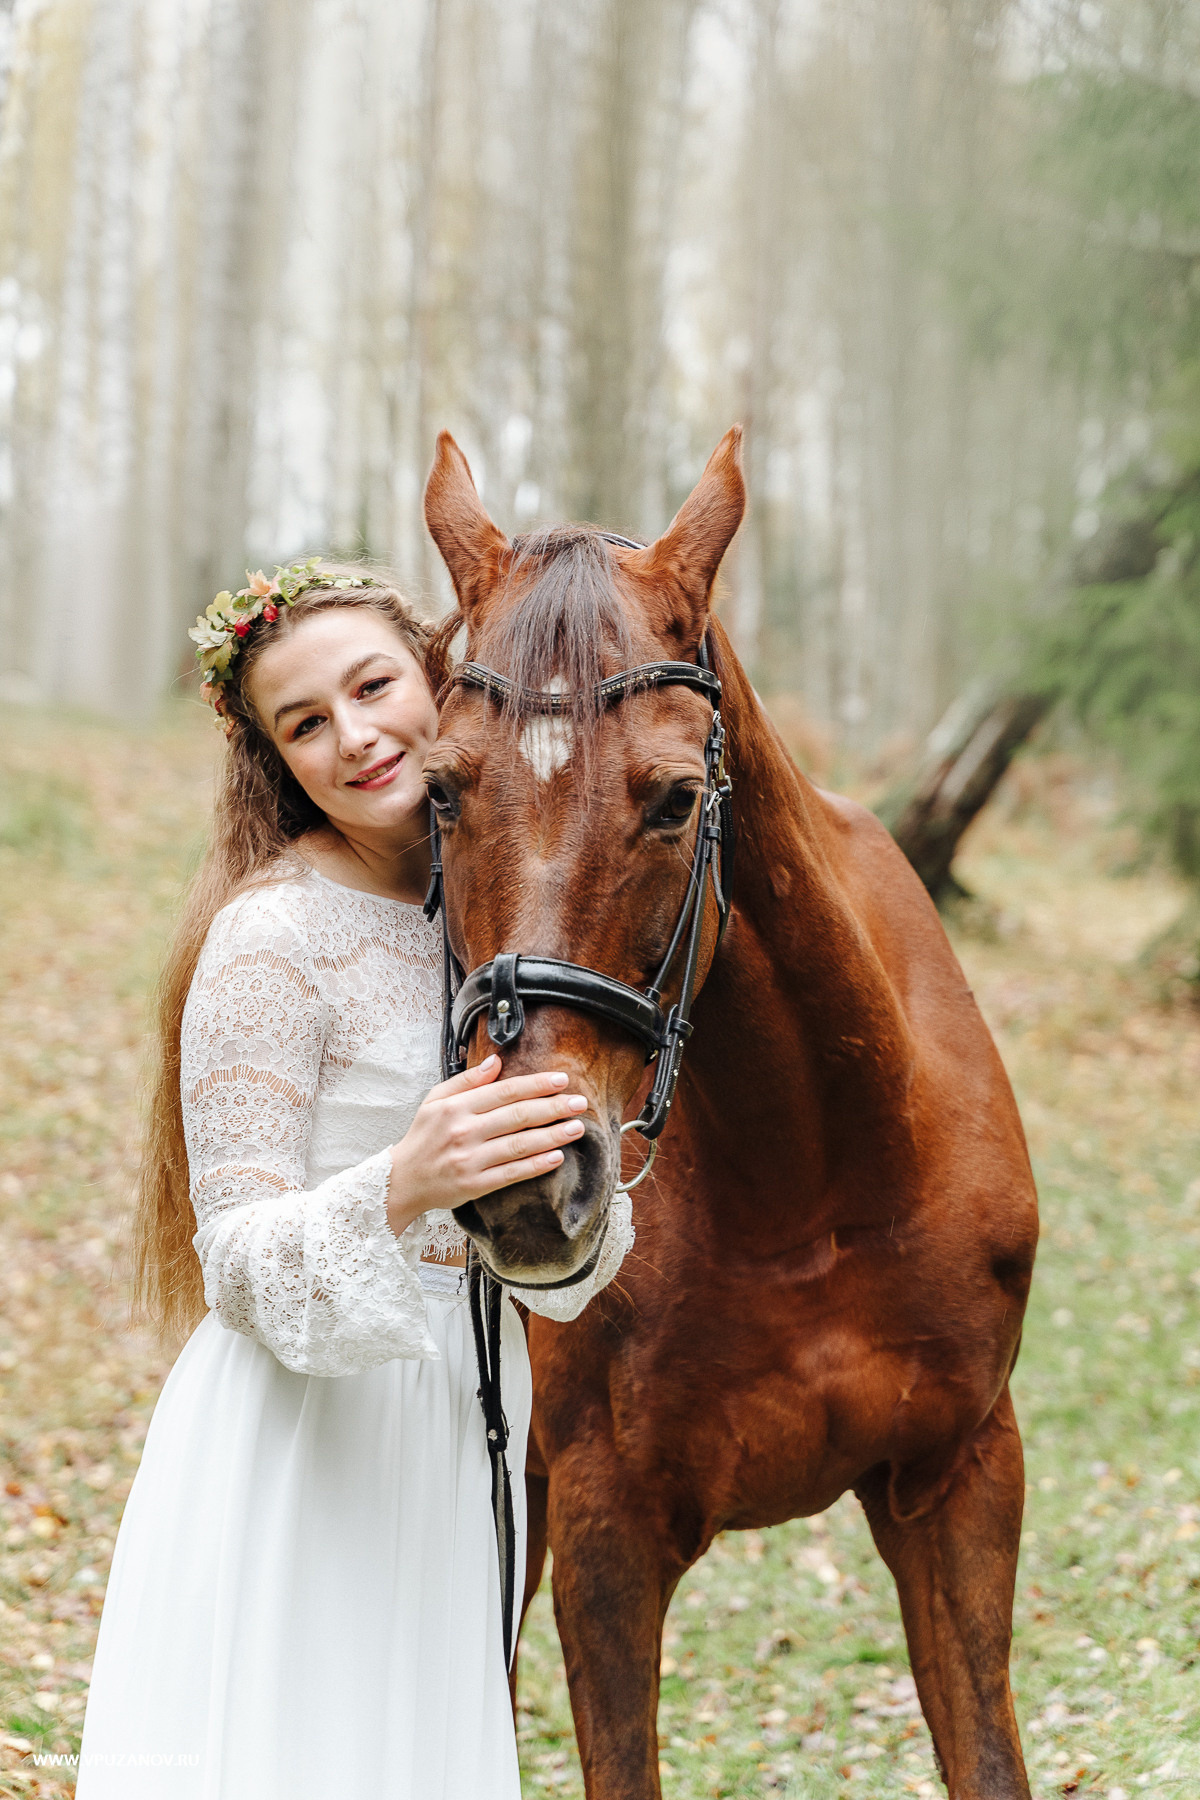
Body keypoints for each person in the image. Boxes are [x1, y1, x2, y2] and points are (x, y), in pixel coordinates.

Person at [75, 560, 634, 1799]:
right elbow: (235, 1257)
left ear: (437, 678)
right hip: (304, 1435)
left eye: (374, 687)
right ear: (277, 761)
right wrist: (404, 1182)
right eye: (307, 723)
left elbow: (560, 1231)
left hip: (459, 1415)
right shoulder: (272, 935)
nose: (357, 736)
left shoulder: (497, 917)